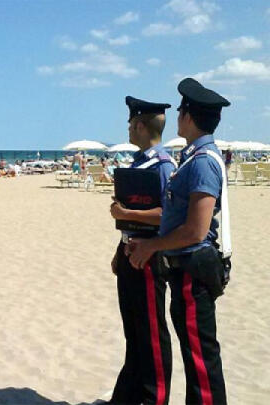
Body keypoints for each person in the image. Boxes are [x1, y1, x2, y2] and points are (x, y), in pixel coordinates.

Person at [128, 78, 231, 405]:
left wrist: (151, 246)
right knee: (195, 356)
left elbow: (195, 230)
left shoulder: (202, 161)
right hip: (185, 269)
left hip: (193, 270)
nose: (178, 117)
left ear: (187, 116)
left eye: (181, 111)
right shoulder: (193, 157)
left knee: (201, 361)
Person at [107, 96, 176, 405]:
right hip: (130, 250)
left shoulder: (162, 166)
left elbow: (169, 214)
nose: (128, 129)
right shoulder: (139, 163)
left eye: (130, 124)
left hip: (149, 254)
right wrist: (119, 247)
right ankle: (128, 396)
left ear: (140, 125)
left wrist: (127, 213)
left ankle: (153, 397)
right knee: (134, 332)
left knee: (151, 334)